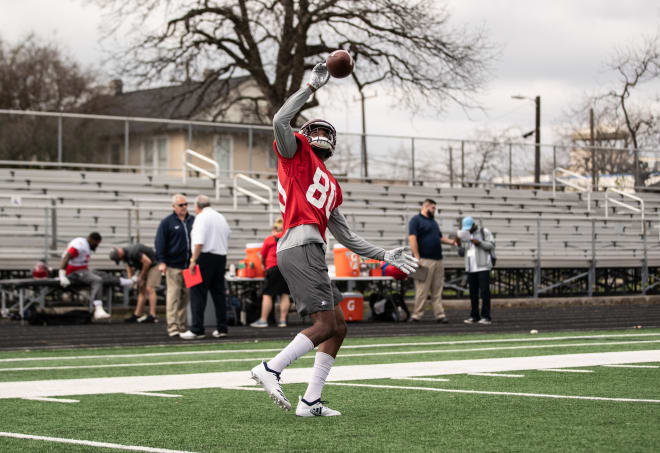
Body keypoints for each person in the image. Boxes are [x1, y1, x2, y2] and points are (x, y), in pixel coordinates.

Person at [250, 62, 418, 417]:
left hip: (310, 249)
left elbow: (347, 236)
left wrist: (385, 254)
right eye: (318, 129)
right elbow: (280, 120)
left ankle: (310, 401)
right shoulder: (296, 154)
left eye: (328, 132)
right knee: (324, 324)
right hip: (299, 245)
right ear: (308, 135)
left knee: (338, 327)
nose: (323, 134)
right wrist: (310, 87)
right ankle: (271, 368)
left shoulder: (332, 186)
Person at [180, 194, 232, 340]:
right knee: (219, 294)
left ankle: (197, 329)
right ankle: (222, 328)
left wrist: (193, 260)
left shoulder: (201, 217)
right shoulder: (220, 217)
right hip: (220, 257)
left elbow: (199, 241)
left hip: (205, 257)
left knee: (198, 294)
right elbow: (229, 235)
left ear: (197, 207)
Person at [58, 232, 133, 320]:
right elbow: (66, 257)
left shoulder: (85, 245)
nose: (96, 246)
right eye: (96, 244)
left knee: (100, 273)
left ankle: (124, 281)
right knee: (97, 280)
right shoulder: (80, 245)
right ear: (93, 240)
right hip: (73, 272)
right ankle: (98, 309)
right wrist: (62, 275)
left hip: (82, 270)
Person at [407, 199, 456, 323]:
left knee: (437, 289)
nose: (434, 210)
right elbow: (412, 239)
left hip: (438, 259)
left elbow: (439, 238)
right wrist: (416, 257)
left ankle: (440, 314)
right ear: (426, 206)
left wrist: (451, 242)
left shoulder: (433, 222)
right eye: (433, 208)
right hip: (424, 259)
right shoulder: (415, 220)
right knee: (422, 289)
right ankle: (416, 315)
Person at [155, 194, 195, 337]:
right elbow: (160, 242)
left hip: (190, 266)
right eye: (181, 205)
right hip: (173, 266)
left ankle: (182, 325)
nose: (184, 207)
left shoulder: (193, 220)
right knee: (173, 296)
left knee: (186, 296)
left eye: (186, 204)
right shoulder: (167, 222)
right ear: (174, 206)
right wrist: (161, 261)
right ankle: (172, 326)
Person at [250, 218, 291, 328]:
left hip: (273, 268)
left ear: (274, 229)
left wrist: (264, 265)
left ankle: (263, 320)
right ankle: (283, 321)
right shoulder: (288, 238)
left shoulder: (269, 239)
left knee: (267, 294)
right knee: (285, 294)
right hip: (286, 268)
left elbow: (262, 255)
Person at [457, 216, 495, 325]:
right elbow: (461, 253)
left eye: (470, 228)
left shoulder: (484, 231)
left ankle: (486, 316)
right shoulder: (465, 234)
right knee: (473, 293)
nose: (468, 230)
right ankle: (474, 316)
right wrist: (459, 244)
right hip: (470, 268)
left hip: (483, 267)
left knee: (484, 293)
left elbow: (492, 245)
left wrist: (478, 242)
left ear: (474, 225)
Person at [110, 244, 161, 323]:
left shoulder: (133, 251)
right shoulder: (125, 256)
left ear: (120, 253)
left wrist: (140, 277)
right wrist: (131, 280)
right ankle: (137, 314)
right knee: (141, 289)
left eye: (119, 258)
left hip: (154, 265)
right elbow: (129, 267)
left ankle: (152, 315)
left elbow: (147, 262)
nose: (120, 260)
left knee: (150, 288)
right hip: (144, 267)